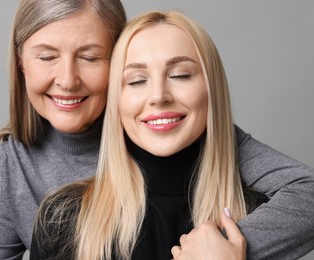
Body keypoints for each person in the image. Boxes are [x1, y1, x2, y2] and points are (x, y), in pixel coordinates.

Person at [30, 11, 314, 260]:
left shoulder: (257, 212)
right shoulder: (62, 219)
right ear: (117, 102)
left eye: (180, 75)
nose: (158, 96)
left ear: (211, 92)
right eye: (137, 81)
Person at [0, 0, 126, 259]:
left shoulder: (159, 144)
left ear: (120, 59)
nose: (67, 80)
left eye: (89, 57)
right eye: (47, 57)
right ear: (21, 61)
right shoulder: (12, 166)